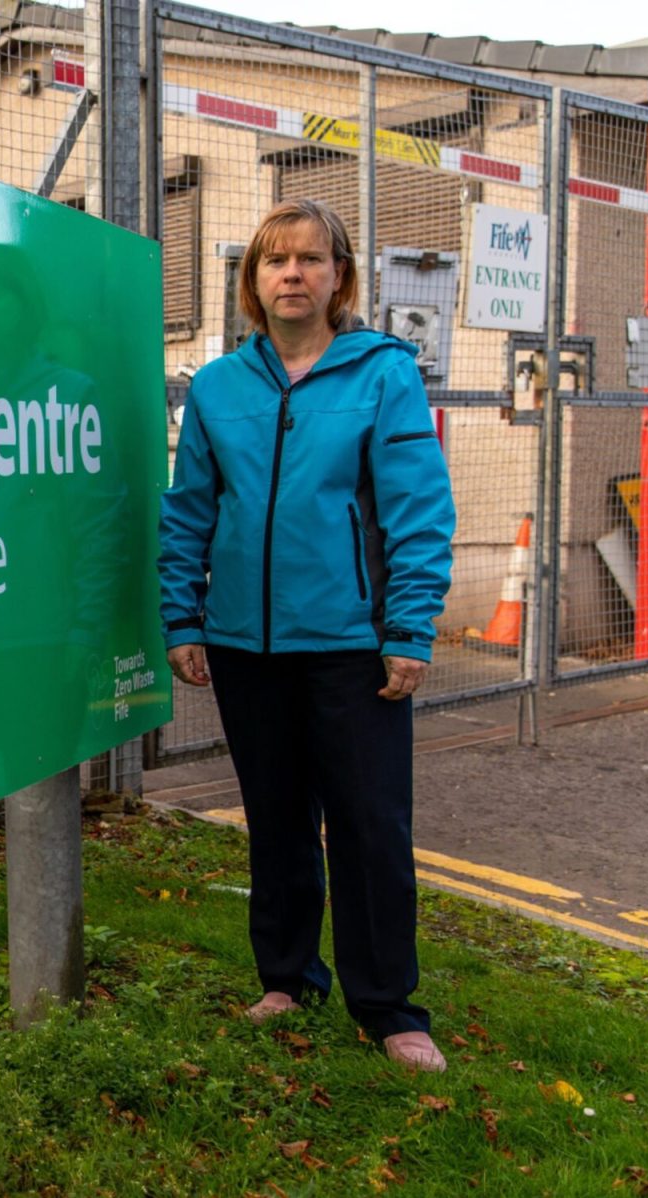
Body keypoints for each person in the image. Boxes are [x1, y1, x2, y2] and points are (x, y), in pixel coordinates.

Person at [157, 199, 455, 1073]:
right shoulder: (218, 387)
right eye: (275, 261)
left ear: (339, 277)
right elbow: (190, 514)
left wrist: (408, 628)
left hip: (353, 646)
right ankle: (288, 977)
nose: (293, 274)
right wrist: (184, 616)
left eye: (311, 260)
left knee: (369, 825)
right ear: (252, 281)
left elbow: (417, 510)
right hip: (247, 647)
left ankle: (388, 1007)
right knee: (277, 820)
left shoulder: (382, 375)